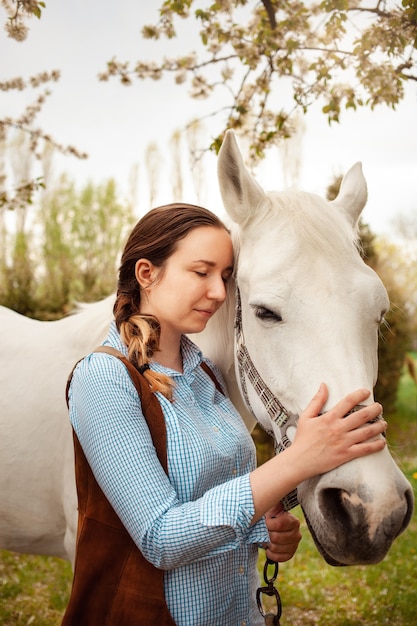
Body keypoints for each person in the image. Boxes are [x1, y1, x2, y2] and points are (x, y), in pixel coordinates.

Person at [62, 203, 387, 626]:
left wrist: (263, 525)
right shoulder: (104, 378)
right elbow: (161, 537)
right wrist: (296, 460)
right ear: (147, 274)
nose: (219, 292)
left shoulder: (207, 375)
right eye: (202, 272)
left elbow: (212, 493)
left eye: (226, 276)